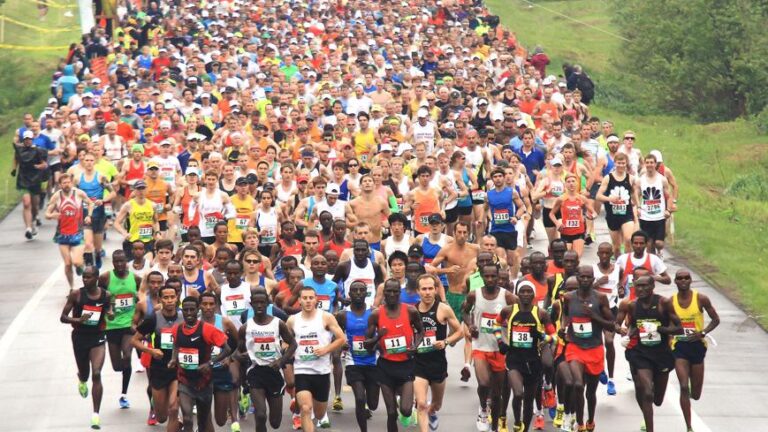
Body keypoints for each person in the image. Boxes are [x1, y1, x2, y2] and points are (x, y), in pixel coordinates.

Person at [616, 275, 682, 432]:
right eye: (638, 286)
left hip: (662, 354)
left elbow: (679, 328)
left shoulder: (663, 303)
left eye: (645, 286)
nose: (641, 289)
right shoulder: (632, 306)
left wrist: (660, 329)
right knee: (646, 391)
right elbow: (633, 326)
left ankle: (651, 399)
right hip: (642, 353)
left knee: (657, 400)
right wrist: (626, 335)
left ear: (653, 287)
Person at [560, 266, 617, 432]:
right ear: (577, 278)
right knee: (578, 384)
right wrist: (564, 328)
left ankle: (590, 420)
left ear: (593, 280)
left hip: (594, 348)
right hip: (575, 347)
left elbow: (611, 324)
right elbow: (565, 314)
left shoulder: (600, 298)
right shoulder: (569, 297)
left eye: (588, 277)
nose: (585, 280)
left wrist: (594, 316)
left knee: (590, 392)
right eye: (582, 277)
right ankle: (579, 423)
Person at [495, 280, 557, 432]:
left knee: (529, 401)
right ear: (517, 293)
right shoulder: (508, 311)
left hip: (534, 361)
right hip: (514, 359)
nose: (526, 294)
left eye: (529, 291)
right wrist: (500, 341)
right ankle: (517, 421)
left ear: (534, 294)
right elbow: (496, 325)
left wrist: (542, 336)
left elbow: (554, 336)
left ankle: (523, 429)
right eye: (522, 291)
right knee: (518, 393)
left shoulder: (541, 313)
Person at [364, 278, 424, 431]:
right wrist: (378, 336)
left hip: (406, 365)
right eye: (388, 291)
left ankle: (407, 406)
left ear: (400, 293)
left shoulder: (410, 311)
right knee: (391, 413)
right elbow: (367, 344)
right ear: (384, 293)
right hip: (385, 367)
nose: (392, 294)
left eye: (395, 291)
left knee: (406, 410)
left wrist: (415, 346)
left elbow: (421, 331)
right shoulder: (376, 315)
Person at [462, 264, 516, 432]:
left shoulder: (506, 296)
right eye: (487, 276)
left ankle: (494, 426)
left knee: (498, 393)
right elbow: (464, 311)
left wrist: (509, 324)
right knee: (484, 383)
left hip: (500, 349)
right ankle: (483, 410)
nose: (491, 279)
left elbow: (521, 312)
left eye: (494, 276)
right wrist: (470, 324)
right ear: (482, 277)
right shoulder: (474, 295)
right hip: (480, 347)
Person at [286, 286, 347, 431]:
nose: (308, 301)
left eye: (311, 298)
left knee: (319, 414)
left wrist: (326, 349)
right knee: (306, 409)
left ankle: (319, 415)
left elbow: (341, 339)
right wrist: (288, 351)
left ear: (316, 300)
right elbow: (285, 342)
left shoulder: (326, 317)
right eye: (305, 298)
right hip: (302, 370)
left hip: (321, 372)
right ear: (299, 301)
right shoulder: (292, 320)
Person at [60, 266, 114, 429]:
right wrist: (78, 320)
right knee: (85, 373)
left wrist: (110, 313)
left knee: (96, 373)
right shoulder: (76, 294)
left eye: (89, 277)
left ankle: (95, 415)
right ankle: (82, 379)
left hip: (97, 337)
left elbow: (109, 308)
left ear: (97, 278)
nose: (85, 280)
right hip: (79, 338)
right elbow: (63, 317)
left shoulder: (106, 295)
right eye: (84, 277)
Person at [238, 287, 297, 432]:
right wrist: (242, 357)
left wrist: (281, 361)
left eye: (262, 302)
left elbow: (293, 344)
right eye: (256, 302)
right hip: (255, 372)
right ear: (251, 304)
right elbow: (239, 351)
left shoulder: (278, 324)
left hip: (274, 372)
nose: (259, 306)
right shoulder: (245, 327)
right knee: (260, 415)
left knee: (275, 422)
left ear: (267, 304)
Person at [169, 295, 231, 432]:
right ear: (182, 311)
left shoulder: (207, 329)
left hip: (204, 382)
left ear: (198, 310)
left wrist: (210, 363)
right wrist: (174, 359)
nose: (189, 313)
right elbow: (176, 345)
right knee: (187, 419)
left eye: (192, 310)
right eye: (186, 310)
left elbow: (227, 349)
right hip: (184, 381)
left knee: (203, 422)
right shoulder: (176, 329)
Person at [671, 269, 720, 432]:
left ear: (690, 281)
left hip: (697, 347)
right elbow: (666, 323)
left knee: (696, 394)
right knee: (684, 386)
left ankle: (691, 393)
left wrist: (703, 332)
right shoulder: (670, 302)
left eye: (686, 278)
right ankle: (689, 427)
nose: (683, 281)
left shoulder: (701, 299)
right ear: (675, 281)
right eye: (680, 278)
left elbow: (716, 319)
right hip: (680, 347)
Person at [414, 274, 463, 432]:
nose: (427, 292)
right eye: (423, 289)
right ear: (418, 291)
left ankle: (432, 412)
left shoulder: (443, 309)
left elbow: (460, 331)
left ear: (436, 290)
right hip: (418, 363)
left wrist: (445, 342)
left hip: (438, 363)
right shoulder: (412, 311)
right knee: (421, 403)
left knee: (436, 404)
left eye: (430, 289)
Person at [131, 286, 184, 432]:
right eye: (166, 298)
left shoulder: (183, 317)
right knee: (162, 417)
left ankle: (176, 420)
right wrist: (151, 350)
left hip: (178, 368)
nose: (169, 300)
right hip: (159, 368)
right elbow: (134, 341)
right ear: (160, 300)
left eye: (172, 297)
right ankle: (158, 404)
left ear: (177, 298)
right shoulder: (152, 318)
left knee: (174, 408)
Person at [335, 280, 381, 432]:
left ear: (367, 293)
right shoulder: (342, 315)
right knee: (360, 399)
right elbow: (335, 335)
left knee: (373, 404)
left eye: (362, 290)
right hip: (353, 363)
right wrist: (342, 344)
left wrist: (375, 342)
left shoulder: (374, 312)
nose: (359, 293)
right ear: (349, 293)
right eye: (355, 290)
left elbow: (382, 334)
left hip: (373, 363)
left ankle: (370, 403)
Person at [98, 250, 142, 409]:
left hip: (129, 325)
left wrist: (139, 308)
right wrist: (107, 310)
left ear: (126, 261)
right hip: (111, 326)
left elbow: (142, 295)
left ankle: (124, 394)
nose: (119, 264)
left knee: (127, 356)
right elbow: (98, 296)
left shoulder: (135, 278)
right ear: (113, 263)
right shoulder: (105, 278)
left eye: (122, 261)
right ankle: (124, 370)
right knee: (117, 366)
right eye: (116, 262)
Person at [198, 291, 240, 432]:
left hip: (221, 372)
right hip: (202, 373)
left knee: (221, 421)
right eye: (205, 304)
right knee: (204, 411)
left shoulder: (224, 322)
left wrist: (230, 357)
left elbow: (239, 343)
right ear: (200, 306)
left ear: (216, 305)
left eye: (211, 304)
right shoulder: (195, 323)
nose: (208, 307)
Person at [46, 173, 94, 289]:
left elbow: (90, 203)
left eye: (68, 182)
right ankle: (72, 288)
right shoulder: (56, 196)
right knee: (67, 264)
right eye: (64, 183)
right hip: (62, 235)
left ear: (71, 183)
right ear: (60, 185)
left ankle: (80, 265)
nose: (66, 185)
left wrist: (89, 216)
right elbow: (47, 214)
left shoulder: (78, 193)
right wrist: (52, 215)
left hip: (77, 233)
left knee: (76, 262)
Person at [592, 242, 624, 396]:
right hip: (595, 310)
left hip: (611, 309)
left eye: (607, 253)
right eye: (601, 253)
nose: (604, 256)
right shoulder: (592, 269)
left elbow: (622, 285)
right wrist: (598, 282)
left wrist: (622, 288)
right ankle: (600, 369)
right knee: (596, 342)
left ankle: (611, 379)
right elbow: (584, 288)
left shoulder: (618, 269)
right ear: (597, 254)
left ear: (612, 254)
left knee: (610, 341)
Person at [74, 152, 116, 268]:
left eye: (91, 160)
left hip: (99, 214)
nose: (88, 163)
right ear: (83, 161)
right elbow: (73, 195)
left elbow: (113, 193)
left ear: (95, 162)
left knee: (97, 247)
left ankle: (97, 255)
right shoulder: (78, 179)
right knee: (88, 243)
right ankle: (88, 267)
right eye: (86, 160)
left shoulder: (101, 177)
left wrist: (103, 200)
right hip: (85, 215)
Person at [595, 152, 638, 257]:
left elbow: (634, 194)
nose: (621, 165)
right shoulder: (608, 178)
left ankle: (628, 263)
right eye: (619, 163)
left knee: (628, 239)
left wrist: (638, 206)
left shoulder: (631, 178)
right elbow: (598, 196)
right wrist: (610, 199)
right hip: (612, 215)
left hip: (626, 214)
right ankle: (619, 266)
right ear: (615, 163)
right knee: (617, 247)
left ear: (626, 163)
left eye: (623, 163)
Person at [486, 167, 526, 277]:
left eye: (500, 176)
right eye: (495, 177)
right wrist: (485, 218)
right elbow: (485, 209)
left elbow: (522, 207)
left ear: (503, 178)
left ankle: (513, 280)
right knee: (500, 258)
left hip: (509, 230)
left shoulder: (512, 192)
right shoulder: (488, 194)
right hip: (496, 230)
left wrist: (516, 217)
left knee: (511, 261)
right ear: (492, 179)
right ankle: (502, 280)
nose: (498, 179)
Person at [636, 153, 674, 256]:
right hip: (645, 217)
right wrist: (638, 207)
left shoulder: (662, 179)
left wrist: (668, 210)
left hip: (659, 217)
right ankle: (652, 265)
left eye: (651, 162)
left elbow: (668, 196)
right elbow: (636, 195)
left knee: (659, 243)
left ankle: (659, 252)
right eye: (647, 162)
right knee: (648, 244)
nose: (649, 165)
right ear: (644, 164)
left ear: (655, 164)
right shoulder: (640, 180)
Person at [12, 130, 48, 239]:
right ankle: (28, 228)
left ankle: (33, 221)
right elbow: (15, 159)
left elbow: (44, 164)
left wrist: (39, 166)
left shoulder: (38, 150)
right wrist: (14, 169)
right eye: (26, 139)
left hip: (35, 179)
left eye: (29, 139)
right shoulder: (19, 150)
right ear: (23, 139)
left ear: (32, 139)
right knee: (26, 203)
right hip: (23, 179)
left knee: (34, 205)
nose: (27, 141)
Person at [615, 230, 671, 301]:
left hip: (648, 302)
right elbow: (614, 278)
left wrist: (652, 277)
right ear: (631, 244)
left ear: (646, 244)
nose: (638, 246)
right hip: (627, 301)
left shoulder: (653, 259)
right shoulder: (623, 259)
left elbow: (668, 280)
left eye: (641, 243)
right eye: (636, 243)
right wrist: (620, 287)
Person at [550, 173, 596, 257]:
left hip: (579, 232)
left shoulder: (582, 198)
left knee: (576, 257)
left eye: (573, 181)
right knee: (567, 258)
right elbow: (551, 214)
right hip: (565, 232)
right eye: (568, 181)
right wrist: (557, 223)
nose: (571, 183)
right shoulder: (561, 199)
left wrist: (591, 216)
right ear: (565, 184)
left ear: (577, 183)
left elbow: (594, 213)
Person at [334, 239, 386, 308]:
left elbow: (380, 287)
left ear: (368, 251)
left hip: (370, 310)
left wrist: (376, 303)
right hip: (349, 308)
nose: (360, 253)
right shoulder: (344, 266)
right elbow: (332, 286)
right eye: (357, 250)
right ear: (353, 251)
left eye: (363, 250)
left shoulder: (375, 266)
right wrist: (341, 299)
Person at [113, 180, 160, 253]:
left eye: (143, 188)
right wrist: (124, 233)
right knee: (133, 264)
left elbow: (156, 222)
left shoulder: (152, 205)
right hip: (133, 241)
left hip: (148, 241)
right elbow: (116, 223)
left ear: (146, 190)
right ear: (134, 191)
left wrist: (157, 233)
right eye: (138, 189)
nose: (141, 191)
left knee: (147, 263)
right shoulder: (128, 205)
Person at [349, 174, 391, 251]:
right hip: (358, 243)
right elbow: (347, 222)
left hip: (375, 242)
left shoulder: (381, 202)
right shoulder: (353, 203)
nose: (367, 183)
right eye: (365, 181)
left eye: (370, 181)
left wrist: (386, 222)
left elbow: (391, 218)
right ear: (360, 186)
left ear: (374, 185)